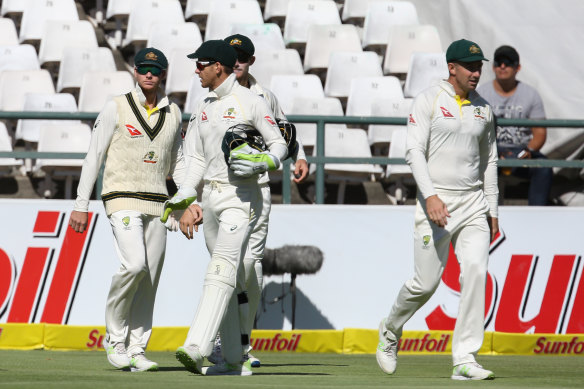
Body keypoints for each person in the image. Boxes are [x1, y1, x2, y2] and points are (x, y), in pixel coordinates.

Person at [376, 39, 499, 381]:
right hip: (436, 203)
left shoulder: (484, 109)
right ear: (452, 68)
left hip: (473, 203)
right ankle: (390, 330)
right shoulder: (428, 100)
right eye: (470, 67)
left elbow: (490, 160)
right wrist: (430, 196)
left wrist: (493, 207)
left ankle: (465, 358)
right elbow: (413, 151)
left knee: (475, 270)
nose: (477, 73)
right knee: (425, 283)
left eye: (479, 66)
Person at [68, 47, 190, 372]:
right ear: (135, 72)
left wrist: (188, 202)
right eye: (143, 68)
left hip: (159, 203)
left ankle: (137, 349)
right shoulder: (116, 106)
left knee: (149, 280)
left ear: (163, 74)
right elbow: (94, 157)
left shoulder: (174, 113)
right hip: (120, 196)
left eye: (155, 69)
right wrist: (81, 204)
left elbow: (178, 164)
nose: (148, 74)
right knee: (135, 266)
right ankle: (115, 338)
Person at [171, 40, 288, 376]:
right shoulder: (203, 105)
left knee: (221, 267)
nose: (196, 70)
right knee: (231, 279)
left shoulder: (251, 102)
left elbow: (279, 142)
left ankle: (197, 346)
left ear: (218, 67)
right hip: (210, 197)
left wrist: (266, 160)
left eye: (201, 64)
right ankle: (235, 360)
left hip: (243, 197)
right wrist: (184, 195)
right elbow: (193, 157)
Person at [203, 33, 310, 368]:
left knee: (252, 268)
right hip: (222, 189)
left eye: (243, 58)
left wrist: (300, 157)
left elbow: (283, 132)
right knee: (229, 268)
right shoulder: (213, 97)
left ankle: (242, 345)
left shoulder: (264, 95)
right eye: (232, 58)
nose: (238, 63)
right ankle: (224, 341)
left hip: (258, 188)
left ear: (250, 62)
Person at [477, 45, 552, 205]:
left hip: (521, 151)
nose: (502, 66)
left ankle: (537, 215)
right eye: (498, 62)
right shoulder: (481, 93)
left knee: (544, 167)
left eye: (508, 62)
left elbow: (540, 133)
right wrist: (492, 151)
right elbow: (476, 130)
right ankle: (487, 216)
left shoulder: (531, 94)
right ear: (493, 67)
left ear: (518, 67)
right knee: (477, 165)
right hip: (491, 150)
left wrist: (529, 151)